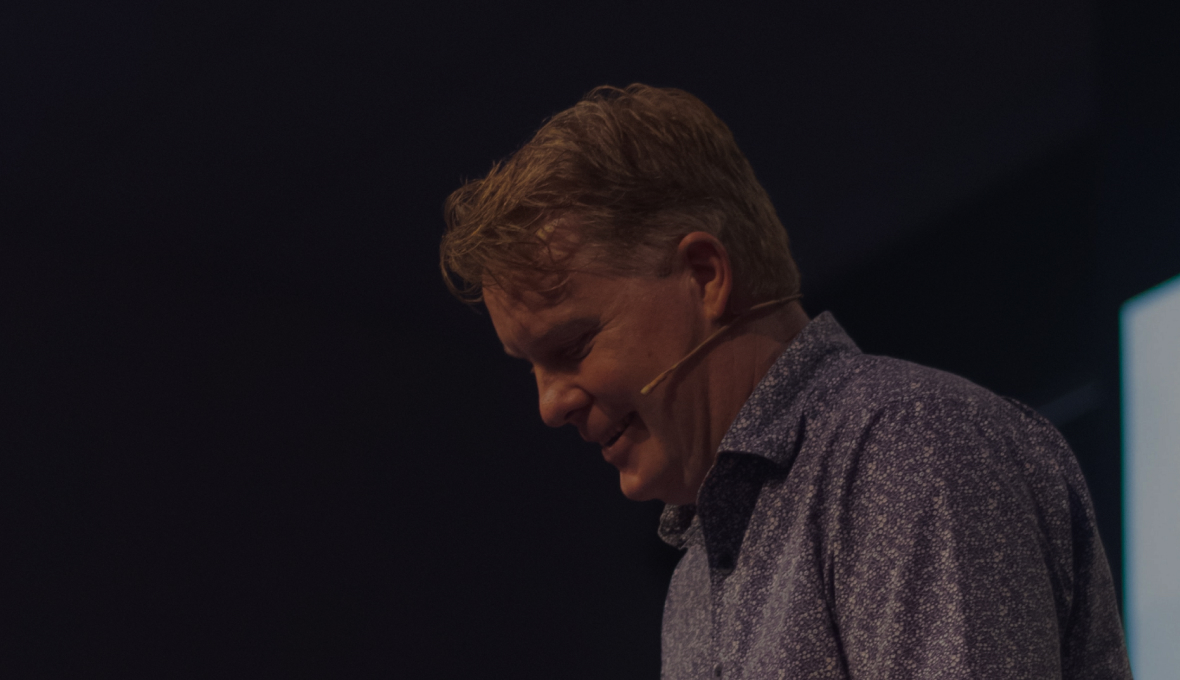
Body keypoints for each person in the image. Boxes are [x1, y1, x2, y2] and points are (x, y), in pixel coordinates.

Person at [439, 84, 1132, 679]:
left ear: (705, 275)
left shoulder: (904, 447)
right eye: (532, 367)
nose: (550, 403)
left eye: (573, 344)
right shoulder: (697, 571)